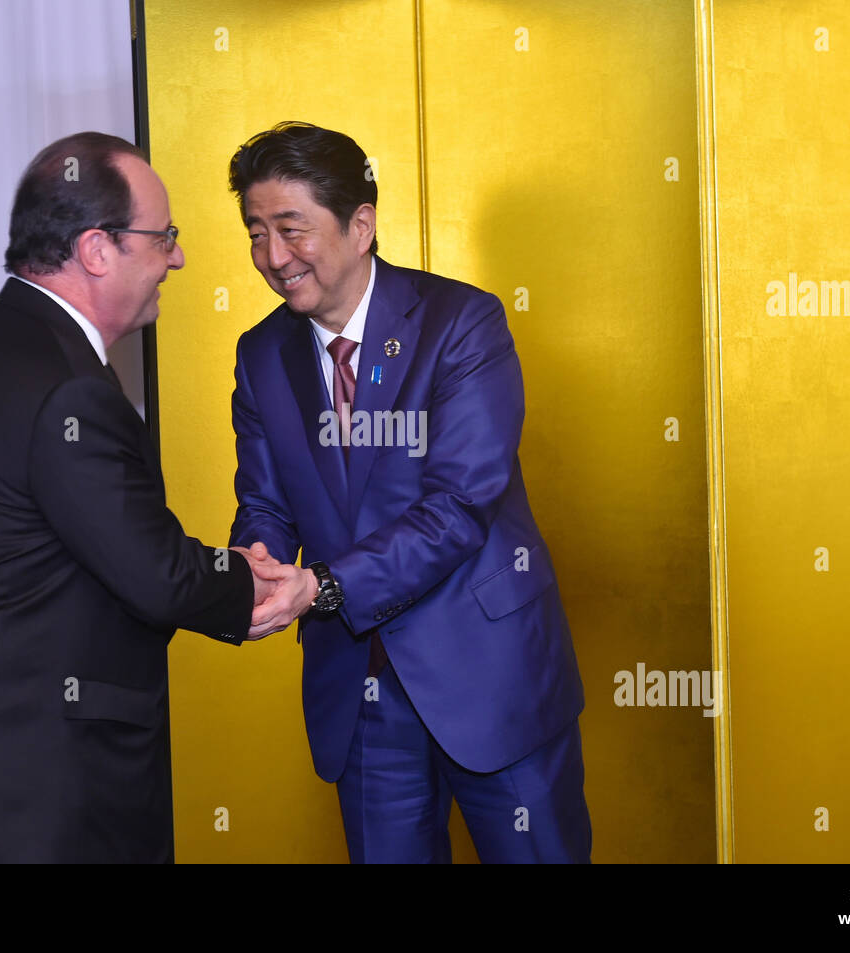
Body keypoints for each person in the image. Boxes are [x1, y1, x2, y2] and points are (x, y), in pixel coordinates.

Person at [0, 131, 294, 863]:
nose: (177, 257)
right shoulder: (64, 382)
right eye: (163, 236)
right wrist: (253, 582)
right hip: (27, 795)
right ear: (98, 249)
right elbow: (156, 574)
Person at [229, 122, 592, 863]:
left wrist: (322, 585)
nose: (272, 257)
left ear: (360, 225)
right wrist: (255, 563)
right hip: (359, 695)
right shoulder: (260, 353)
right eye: (256, 233)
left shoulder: (462, 323)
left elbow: (458, 506)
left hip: (490, 675)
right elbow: (265, 498)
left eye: (291, 230)